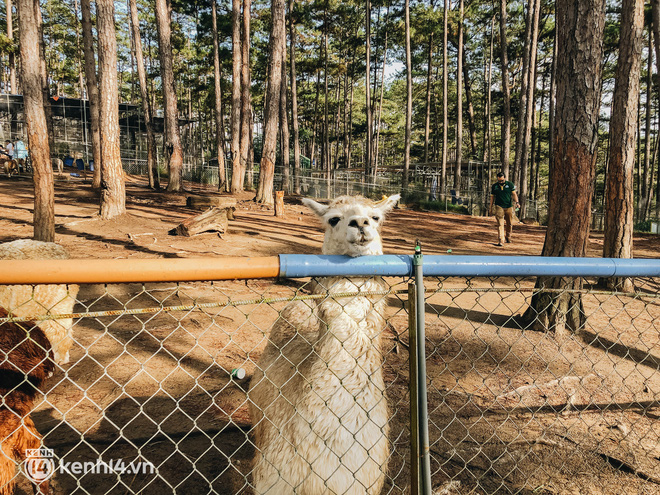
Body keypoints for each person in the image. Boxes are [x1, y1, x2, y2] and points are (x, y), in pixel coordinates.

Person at [489, 171, 519, 246]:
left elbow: (514, 194)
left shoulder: (510, 184)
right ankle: (501, 240)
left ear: (505, 178)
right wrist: (490, 207)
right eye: (499, 181)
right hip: (499, 206)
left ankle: (508, 236)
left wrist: (517, 202)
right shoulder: (494, 186)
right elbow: (492, 197)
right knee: (500, 224)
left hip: (509, 206)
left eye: (502, 180)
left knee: (509, 223)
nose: (500, 182)